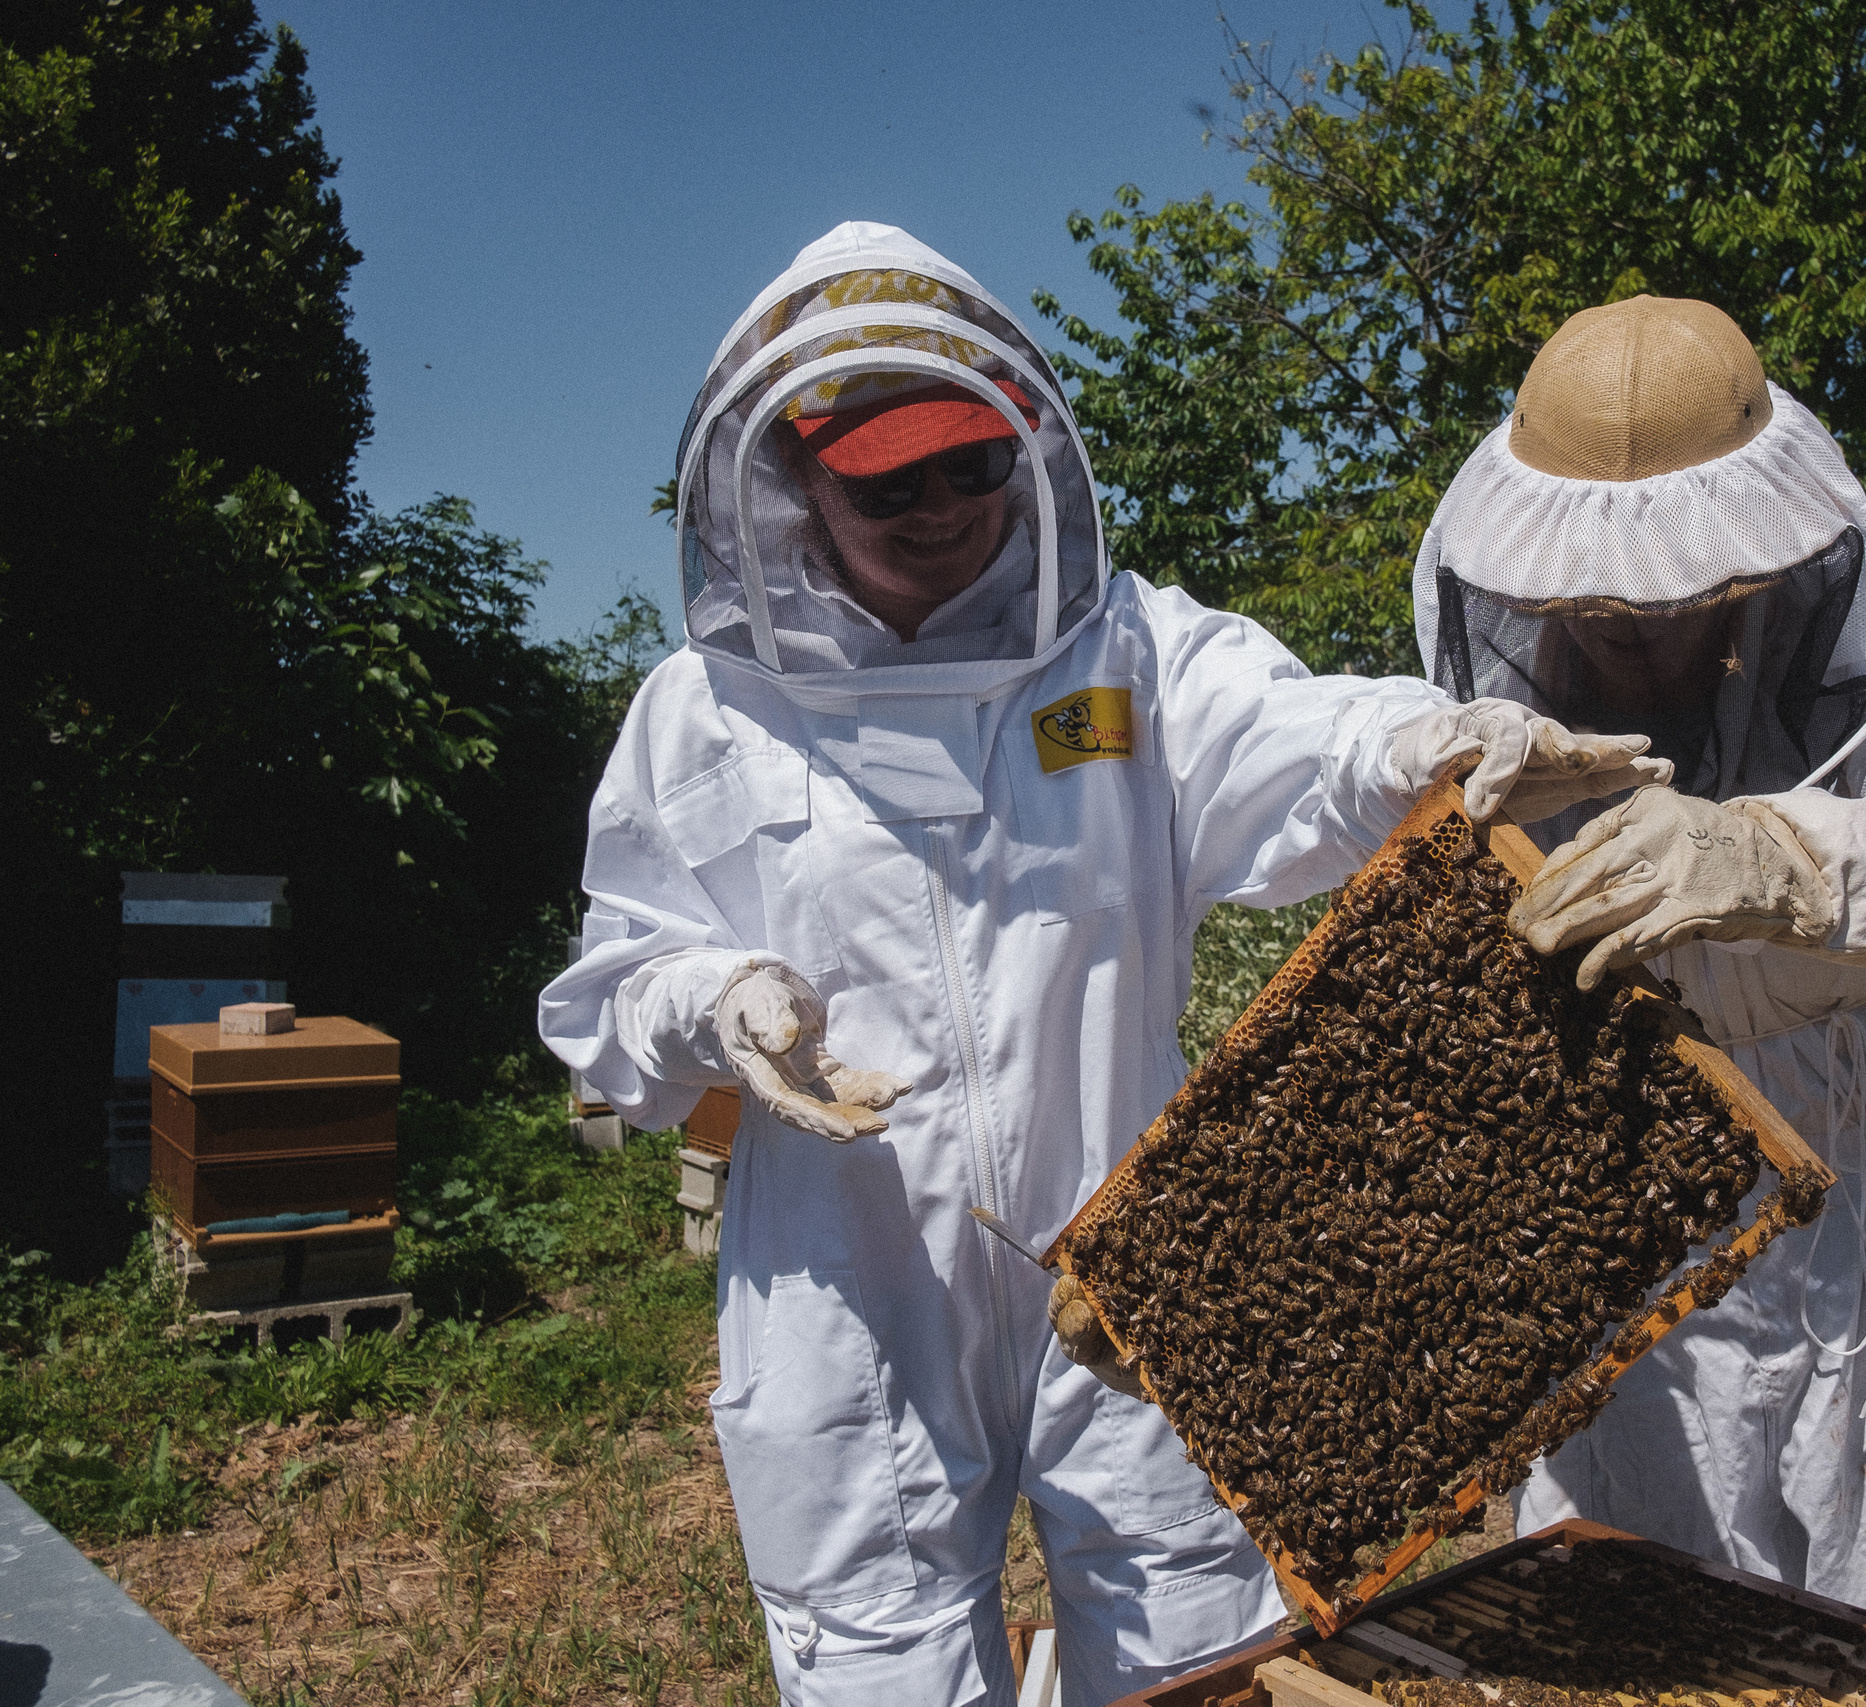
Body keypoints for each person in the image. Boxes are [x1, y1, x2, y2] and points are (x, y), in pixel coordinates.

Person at [538, 222, 1662, 1707]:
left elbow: (1294, 738)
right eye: (889, 477)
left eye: (972, 463)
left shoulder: (1125, 657)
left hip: (1135, 1252)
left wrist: (1419, 738)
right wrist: (714, 1001)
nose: (942, 505)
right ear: (795, 478)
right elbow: (616, 985)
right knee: (874, 1660)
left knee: (1198, 1651)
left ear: (1028, 452)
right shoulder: (706, 713)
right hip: (848, 1272)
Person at [1413, 295, 1866, 1668]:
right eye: (1587, 597)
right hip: (1639, 1273)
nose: (1621, 628)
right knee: (1633, 1660)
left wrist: (1797, 864)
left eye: (1662, 594)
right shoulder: (1510, 725)